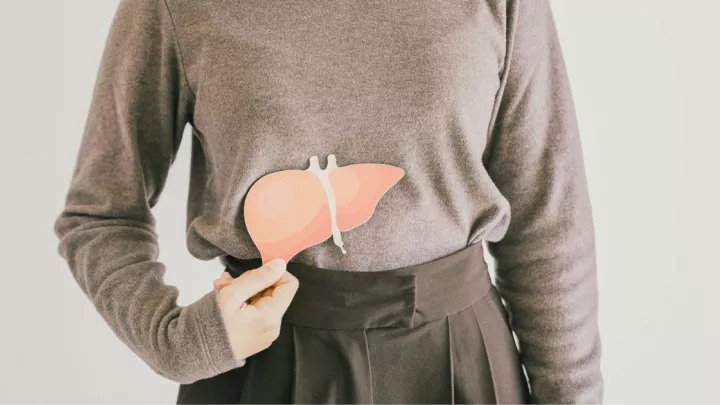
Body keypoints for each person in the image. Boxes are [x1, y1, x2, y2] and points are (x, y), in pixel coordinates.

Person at [53, 0, 603, 403]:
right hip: (261, 367)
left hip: (461, 367)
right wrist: (176, 342)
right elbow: (98, 213)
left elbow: (547, 220)